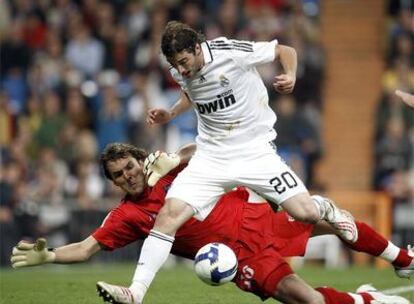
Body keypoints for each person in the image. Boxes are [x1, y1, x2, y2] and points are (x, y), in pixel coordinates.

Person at [11, 143, 412, 304]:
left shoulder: (165, 170)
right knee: (310, 302)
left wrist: (175, 155)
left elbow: (210, 148)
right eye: (117, 175)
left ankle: (403, 257)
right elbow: (86, 248)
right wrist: (48, 257)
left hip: (257, 216)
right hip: (240, 257)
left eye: (130, 166)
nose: (127, 176)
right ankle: (369, 300)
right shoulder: (126, 216)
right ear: (113, 182)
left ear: (139, 160)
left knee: (335, 219)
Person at [129, 21, 357, 303]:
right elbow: (191, 90)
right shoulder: (180, 68)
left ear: (197, 48)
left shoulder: (228, 51)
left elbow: (284, 51)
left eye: (186, 61)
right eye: (177, 64)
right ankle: (135, 293)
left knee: (306, 213)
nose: (182, 69)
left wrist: (291, 75)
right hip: (211, 156)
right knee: (168, 216)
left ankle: (323, 206)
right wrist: (171, 114)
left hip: (254, 152)